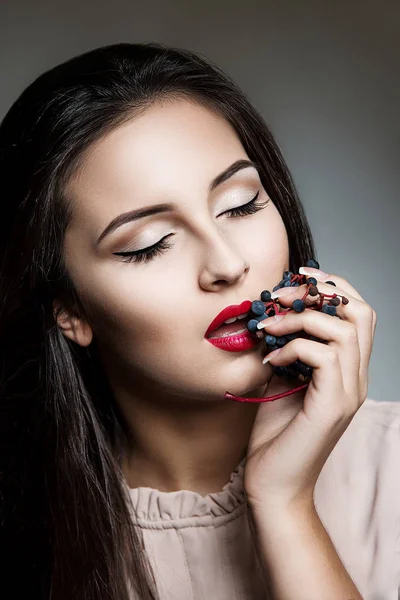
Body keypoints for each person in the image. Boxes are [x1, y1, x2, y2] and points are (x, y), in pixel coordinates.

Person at [0, 42, 398, 600]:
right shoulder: (23, 532)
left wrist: (284, 506)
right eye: (149, 245)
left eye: (240, 205)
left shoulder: (391, 467)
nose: (228, 264)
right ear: (68, 310)